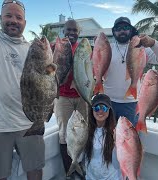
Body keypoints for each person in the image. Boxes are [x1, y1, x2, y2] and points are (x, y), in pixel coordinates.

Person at [0, 1, 45, 180]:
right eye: (8, 16)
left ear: (25, 22)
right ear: (0, 18)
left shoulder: (33, 49)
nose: (13, 20)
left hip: (31, 122)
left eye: (18, 17)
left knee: (35, 169)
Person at [104, 16, 158, 126]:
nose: (122, 31)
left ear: (131, 30)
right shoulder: (107, 48)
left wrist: (153, 43)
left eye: (125, 27)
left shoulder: (141, 48)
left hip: (131, 103)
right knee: (108, 138)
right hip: (108, 101)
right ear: (113, 32)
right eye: (118, 28)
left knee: (129, 140)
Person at [53, 19, 88, 178]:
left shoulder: (83, 49)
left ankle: (80, 166)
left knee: (82, 132)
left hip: (82, 96)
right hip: (62, 97)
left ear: (79, 33)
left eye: (75, 30)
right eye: (69, 30)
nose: (71, 33)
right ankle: (69, 171)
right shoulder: (56, 47)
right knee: (64, 134)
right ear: (63, 31)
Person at [84, 93, 122, 180]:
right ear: (92, 111)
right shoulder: (86, 131)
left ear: (109, 111)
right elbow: (80, 158)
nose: (100, 111)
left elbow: (117, 165)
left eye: (104, 108)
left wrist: (117, 144)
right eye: (96, 108)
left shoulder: (117, 132)